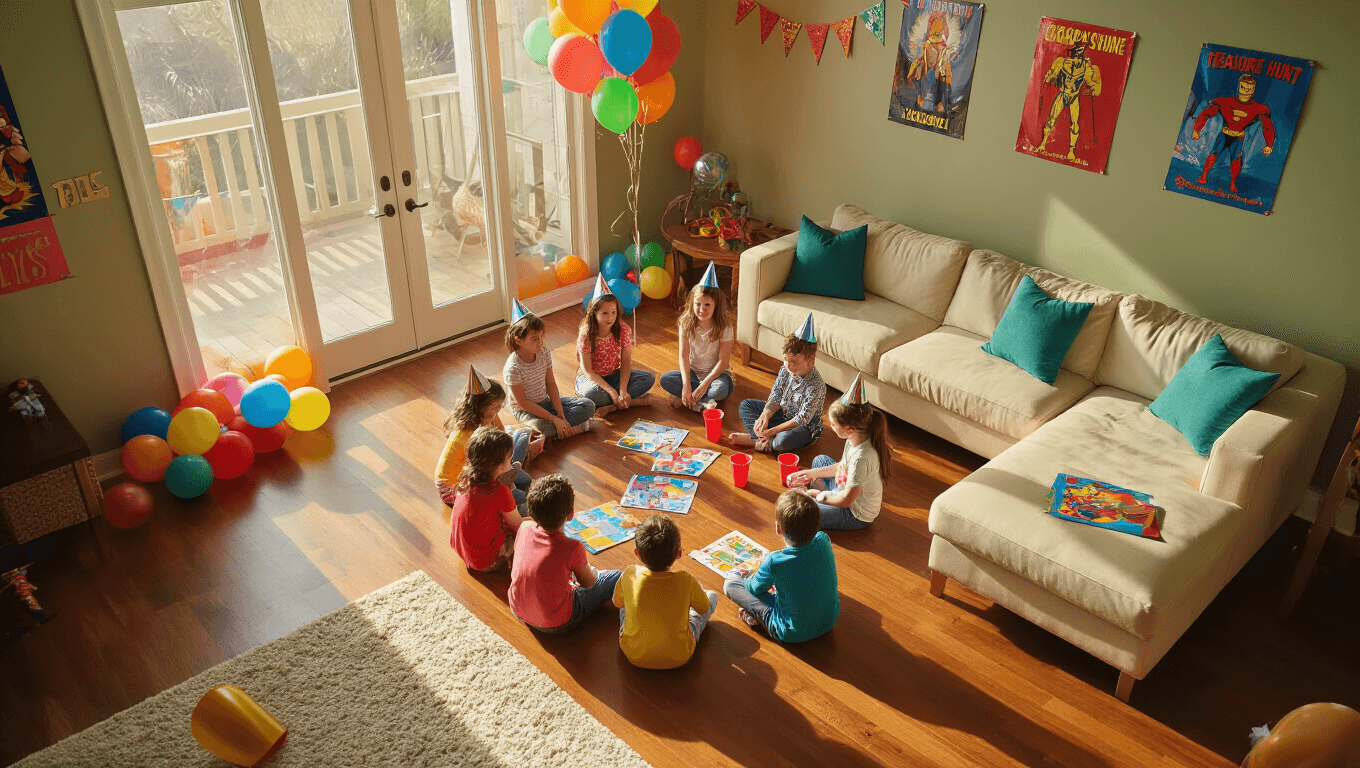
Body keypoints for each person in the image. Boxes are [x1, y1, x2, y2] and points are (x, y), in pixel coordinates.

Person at [508, 475, 622, 633]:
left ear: (531, 511)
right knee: (616, 576)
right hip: (556, 624)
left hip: (518, 610)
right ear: (571, 514)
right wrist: (591, 572)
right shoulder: (572, 547)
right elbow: (589, 583)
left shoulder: (524, 526)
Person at [724, 490, 839, 642]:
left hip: (791, 632)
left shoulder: (775, 561)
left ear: (778, 528)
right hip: (828, 621)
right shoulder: (823, 539)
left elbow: (753, 588)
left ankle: (758, 619)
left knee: (731, 584)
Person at [612, 514, 720, 669]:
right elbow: (703, 608)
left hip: (633, 654)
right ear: (679, 553)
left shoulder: (630, 574)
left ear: (637, 553)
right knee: (712, 597)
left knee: (625, 605)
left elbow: (617, 603)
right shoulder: (686, 580)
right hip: (679, 657)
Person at [786, 373, 890, 531]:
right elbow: (842, 467)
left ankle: (821, 495)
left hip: (853, 513)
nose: (831, 426)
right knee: (820, 460)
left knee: (802, 513)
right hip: (844, 490)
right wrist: (811, 473)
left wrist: (818, 496)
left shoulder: (861, 458)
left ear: (849, 429)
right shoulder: (855, 439)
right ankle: (822, 491)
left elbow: (846, 501)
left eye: (834, 425)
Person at [435, 365, 541, 512]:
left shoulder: (491, 416)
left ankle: (525, 449)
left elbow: (503, 439)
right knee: (519, 498)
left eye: (500, 405)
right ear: (479, 408)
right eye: (495, 407)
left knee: (526, 481)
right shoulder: (466, 436)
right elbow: (479, 473)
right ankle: (526, 452)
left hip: (489, 466)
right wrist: (507, 481)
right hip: (456, 485)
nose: (498, 409)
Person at [728, 313, 825, 453]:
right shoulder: (786, 369)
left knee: (783, 442)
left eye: (794, 362)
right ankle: (762, 440)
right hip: (784, 415)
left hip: (804, 428)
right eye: (786, 359)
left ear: (811, 360)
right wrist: (765, 415)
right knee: (745, 406)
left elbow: (802, 419)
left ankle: (757, 440)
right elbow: (776, 394)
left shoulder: (816, 385)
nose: (788, 365)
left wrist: (772, 431)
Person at [503, 299, 594, 440]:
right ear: (518, 340)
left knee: (589, 405)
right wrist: (553, 419)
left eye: (541, 337)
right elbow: (524, 403)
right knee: (545, 429)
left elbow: (550, 383)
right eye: (534, 339)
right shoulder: (513, 368)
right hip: (525, 410)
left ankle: (559, 430)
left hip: (545, 401)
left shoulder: (543, 351)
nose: (540, 343)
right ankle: (574, 429)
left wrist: (560, 414)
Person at [576, 276, 655, 417]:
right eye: (604, 313)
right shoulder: (586, 335)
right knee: (592, 394)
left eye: (613, 312)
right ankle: (628, 401)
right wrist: (613, 391)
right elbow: (587, 370)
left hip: (614, 375)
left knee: (648, 378)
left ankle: (613, 406)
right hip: (592, 379)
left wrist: (623, 390)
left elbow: (626, 362)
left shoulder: (622, 329)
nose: (610, 317)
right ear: (593, 313)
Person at [660, 264, 734, 412]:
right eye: (697, 304)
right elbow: (683, 355)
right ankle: (701, 402)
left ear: (716, 305)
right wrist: (686, 383)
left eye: (707, 305)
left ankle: (692, 401)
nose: (702, 309)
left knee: (718, 390)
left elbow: (723, 361)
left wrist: (705, 384)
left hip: (716, 375)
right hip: (693, 373)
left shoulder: (724, 326)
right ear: (692, 303)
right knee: (665, 379)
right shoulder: (686, 322)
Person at [449, 426, 524, 572]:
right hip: (485, 562)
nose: (512, 460)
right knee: (532, 517)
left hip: (464, 553)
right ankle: (505, 558)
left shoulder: (466, 478)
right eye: (510, 458)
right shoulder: (500, 491)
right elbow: (519, 527)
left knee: (515, 507)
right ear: (499, 466)